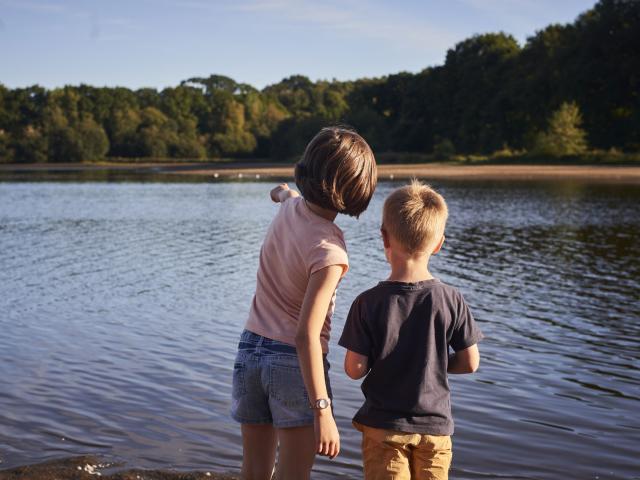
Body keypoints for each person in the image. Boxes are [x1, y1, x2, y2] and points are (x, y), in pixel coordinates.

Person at [231, 126, 377, 480]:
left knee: (254, 471)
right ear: (356, 191)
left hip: (249, 352)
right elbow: (305, 337)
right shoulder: (330, 253)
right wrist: (323, 410)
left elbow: (282, 193)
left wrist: (280, 190)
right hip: (291, 365)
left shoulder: (290, 207)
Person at [339, 180, 483, 480]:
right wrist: (435, 364)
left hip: (384, 428)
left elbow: (354, 369)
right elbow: (470, 363)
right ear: (439, 243)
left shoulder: (367, 302)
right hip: (436, 430)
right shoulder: (452, 298)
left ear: (384, 237)